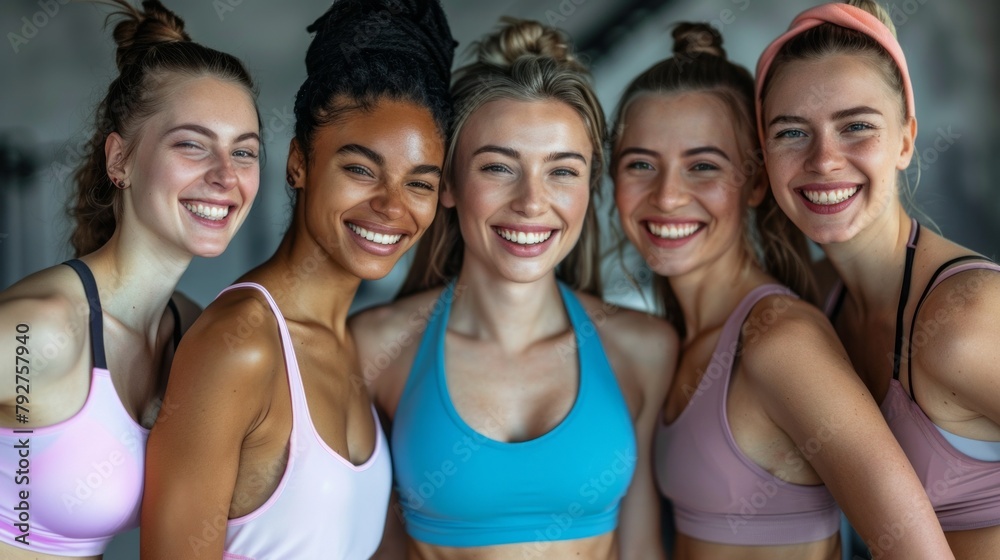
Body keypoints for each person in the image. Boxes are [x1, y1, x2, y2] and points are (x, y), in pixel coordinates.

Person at [611, 21, 955, 560]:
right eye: (640, 165)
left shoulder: (780, 341)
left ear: (753, 181)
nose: (668, 196)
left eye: (703, 165)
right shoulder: (673, 338)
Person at [349, 17, 676, 560]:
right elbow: (377, 547)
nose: (531, 202)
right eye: (500, 167)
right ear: (449, 183)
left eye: (562, 171)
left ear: (590, 187)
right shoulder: (376, 347)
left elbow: (640, 548)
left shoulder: (643, 349)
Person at [139, 0, 456, 558]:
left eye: (420, 184)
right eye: (360, 169)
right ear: (298, 163)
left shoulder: (353, 343)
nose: (391, 206)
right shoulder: (240, 346)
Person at [0, 1, 260, 558]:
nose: (225, 175)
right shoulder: (36, 332)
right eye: (192, 144)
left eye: (244, 152)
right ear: (120, 160)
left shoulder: (195, 334)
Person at [756, 1, 1000, 557]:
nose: (824, 161)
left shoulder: (966, 316)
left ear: (907, 139)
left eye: (856, 127)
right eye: (792, 133)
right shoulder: (815, 305)